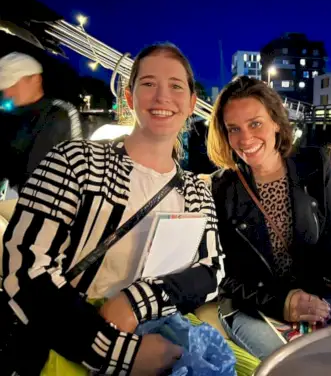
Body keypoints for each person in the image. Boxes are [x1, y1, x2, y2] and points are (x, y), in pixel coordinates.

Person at [1, 43, 224, 375]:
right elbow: (24, 268)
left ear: (192, 102)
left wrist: (138, 301)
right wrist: (119, 352)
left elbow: (212, 269)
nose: (163, 96)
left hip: (159, 337)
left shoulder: (194, 190)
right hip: (67, 345)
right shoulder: (75, 162)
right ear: (130, 98)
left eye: (176, 86)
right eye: (148, 83)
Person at [206, 76, 331, 360]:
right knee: (299, 365)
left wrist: (316, 293)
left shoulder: (315, 164)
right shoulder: (220, 188)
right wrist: (282, 302)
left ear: (275, 121)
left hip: (313, 291)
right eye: (234, 129)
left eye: (255, 123)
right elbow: (222, 275)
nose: (245, 139)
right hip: (252, 305)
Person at [0, 52, 83, 192]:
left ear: (35, 79)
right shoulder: (9, 119)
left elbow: (78, 167)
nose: (8, 93)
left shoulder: (62, 113)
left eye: (13, 84)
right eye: (4, 87)